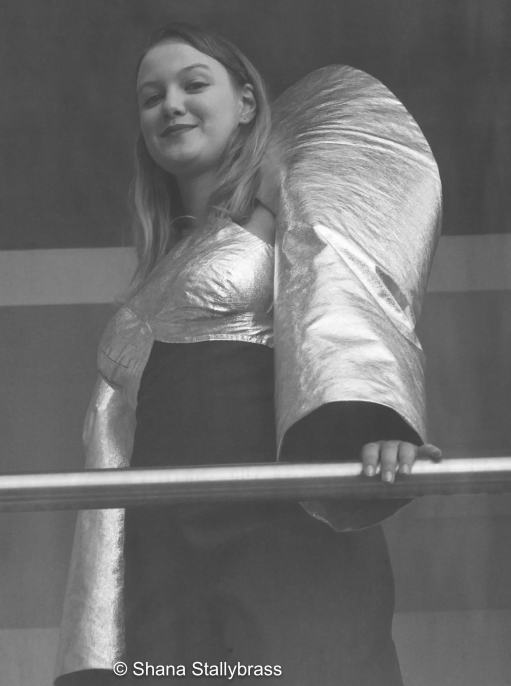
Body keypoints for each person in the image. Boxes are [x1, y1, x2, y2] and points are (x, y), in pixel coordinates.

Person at [56, 23, 441, 686]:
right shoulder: (157, 266)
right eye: (151, 96)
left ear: (245, 102)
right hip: (164, 551)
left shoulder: (288, 201)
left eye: (192, 84)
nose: (171, 105)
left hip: (276, 532)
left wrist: (369, 426)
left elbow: (345, 296)